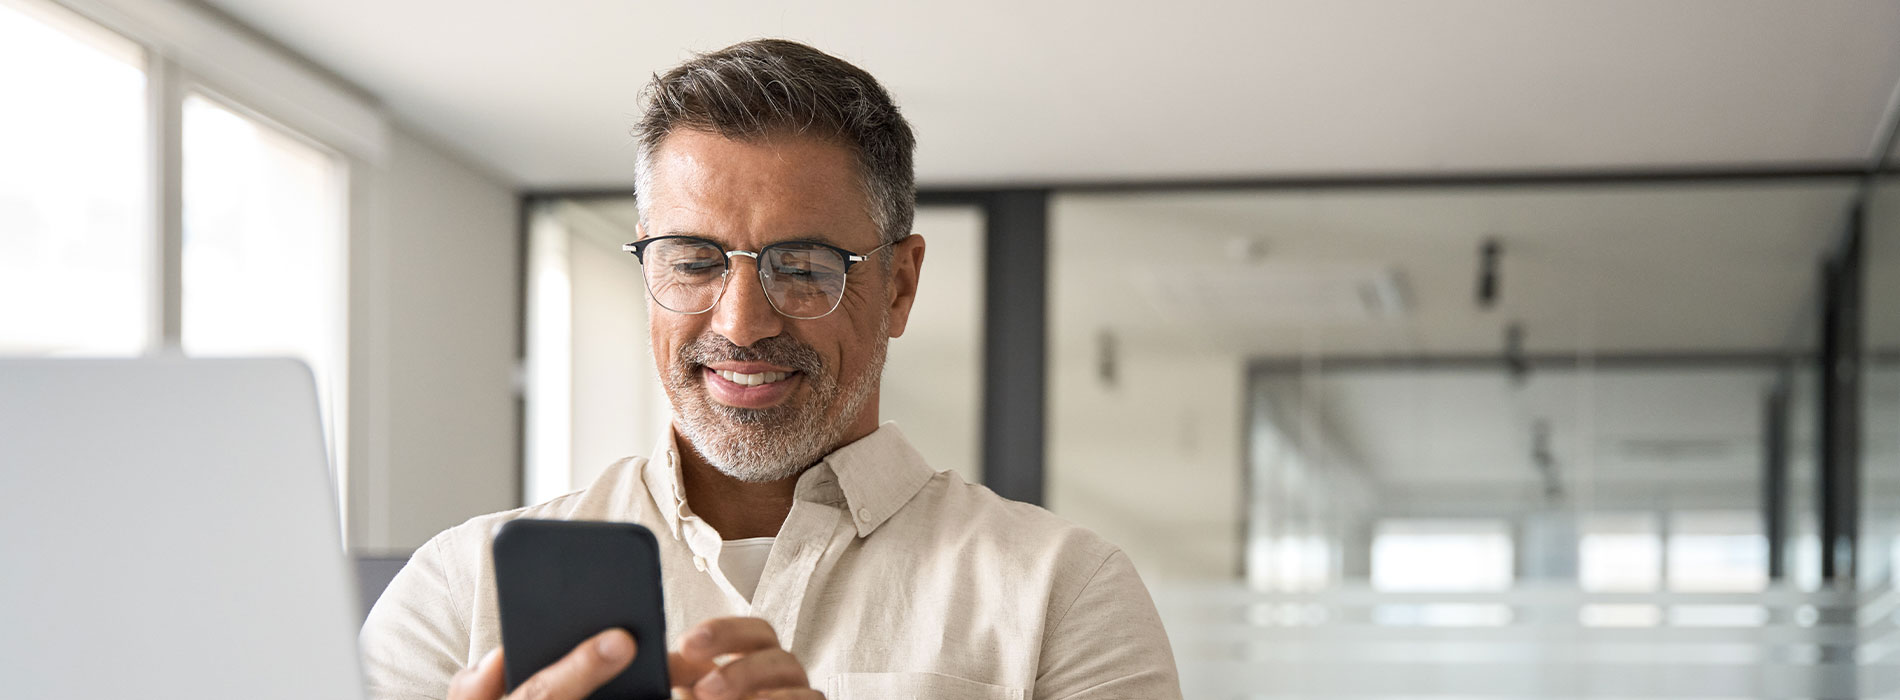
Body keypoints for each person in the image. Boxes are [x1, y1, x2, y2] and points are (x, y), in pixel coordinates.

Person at [360, 38, 1182, 700]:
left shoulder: (1062, 594)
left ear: (897, 287)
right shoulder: (460, 592)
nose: (742, 321)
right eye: (692, 260)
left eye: (804, 264)